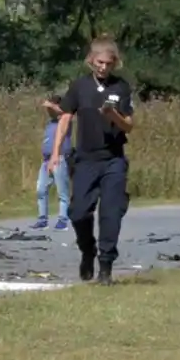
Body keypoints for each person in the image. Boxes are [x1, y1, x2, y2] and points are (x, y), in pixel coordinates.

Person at [49, 35, 136, 285]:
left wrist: (113, 115)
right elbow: (65, 118)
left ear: (115, 63)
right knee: (78, 213)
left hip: (113, 160)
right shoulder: (80, 87)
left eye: (109, 63)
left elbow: (129, 126)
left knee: (111, 214)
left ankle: (105, 268)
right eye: (99, 62)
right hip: (86, 159)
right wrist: (55, 154)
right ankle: (88, 250)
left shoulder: (121, 87)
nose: (104, 67)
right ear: (90, 61)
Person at [33, 96, 72, 230]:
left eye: (51, 108)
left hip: (59, 158)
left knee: (62, 191)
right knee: (41, 189)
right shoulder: (50, 123)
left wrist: (52, 105)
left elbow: (63, 112)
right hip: (46, 160)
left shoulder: (65, 119)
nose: (48, 111)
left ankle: (63, 220)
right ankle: (42, 219)